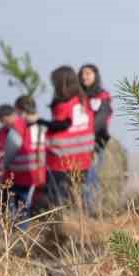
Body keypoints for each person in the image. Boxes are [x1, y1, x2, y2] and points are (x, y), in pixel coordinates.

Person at [38, 66, 97, 210]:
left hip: (61, 160)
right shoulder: (83, 101)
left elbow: (63, 124)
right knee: (77, 196)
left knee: (59, 199)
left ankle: (62, 227)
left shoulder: (63, 104)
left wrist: (41, 122)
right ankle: (78, 222)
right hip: (83, 159)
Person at [0, 96, 47, 221]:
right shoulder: (44, 126)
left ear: (19, 110)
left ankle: (18, 236)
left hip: (18, 177)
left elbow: (10, 151)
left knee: (19, 212)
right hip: (38, 178)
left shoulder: (18, 127)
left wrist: (3, 171)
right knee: (31, 212)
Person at [76, 63, 113, 214]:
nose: (85, 77)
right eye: (82, 74)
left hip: (96, 142)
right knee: (78, 179)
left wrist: (88, 134)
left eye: (88, 73)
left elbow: (102, 118)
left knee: (92, 176)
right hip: (77, 144)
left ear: (95, 75)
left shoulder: (103, 96)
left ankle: (90, 210)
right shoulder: (77, 96)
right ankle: (80, 209)